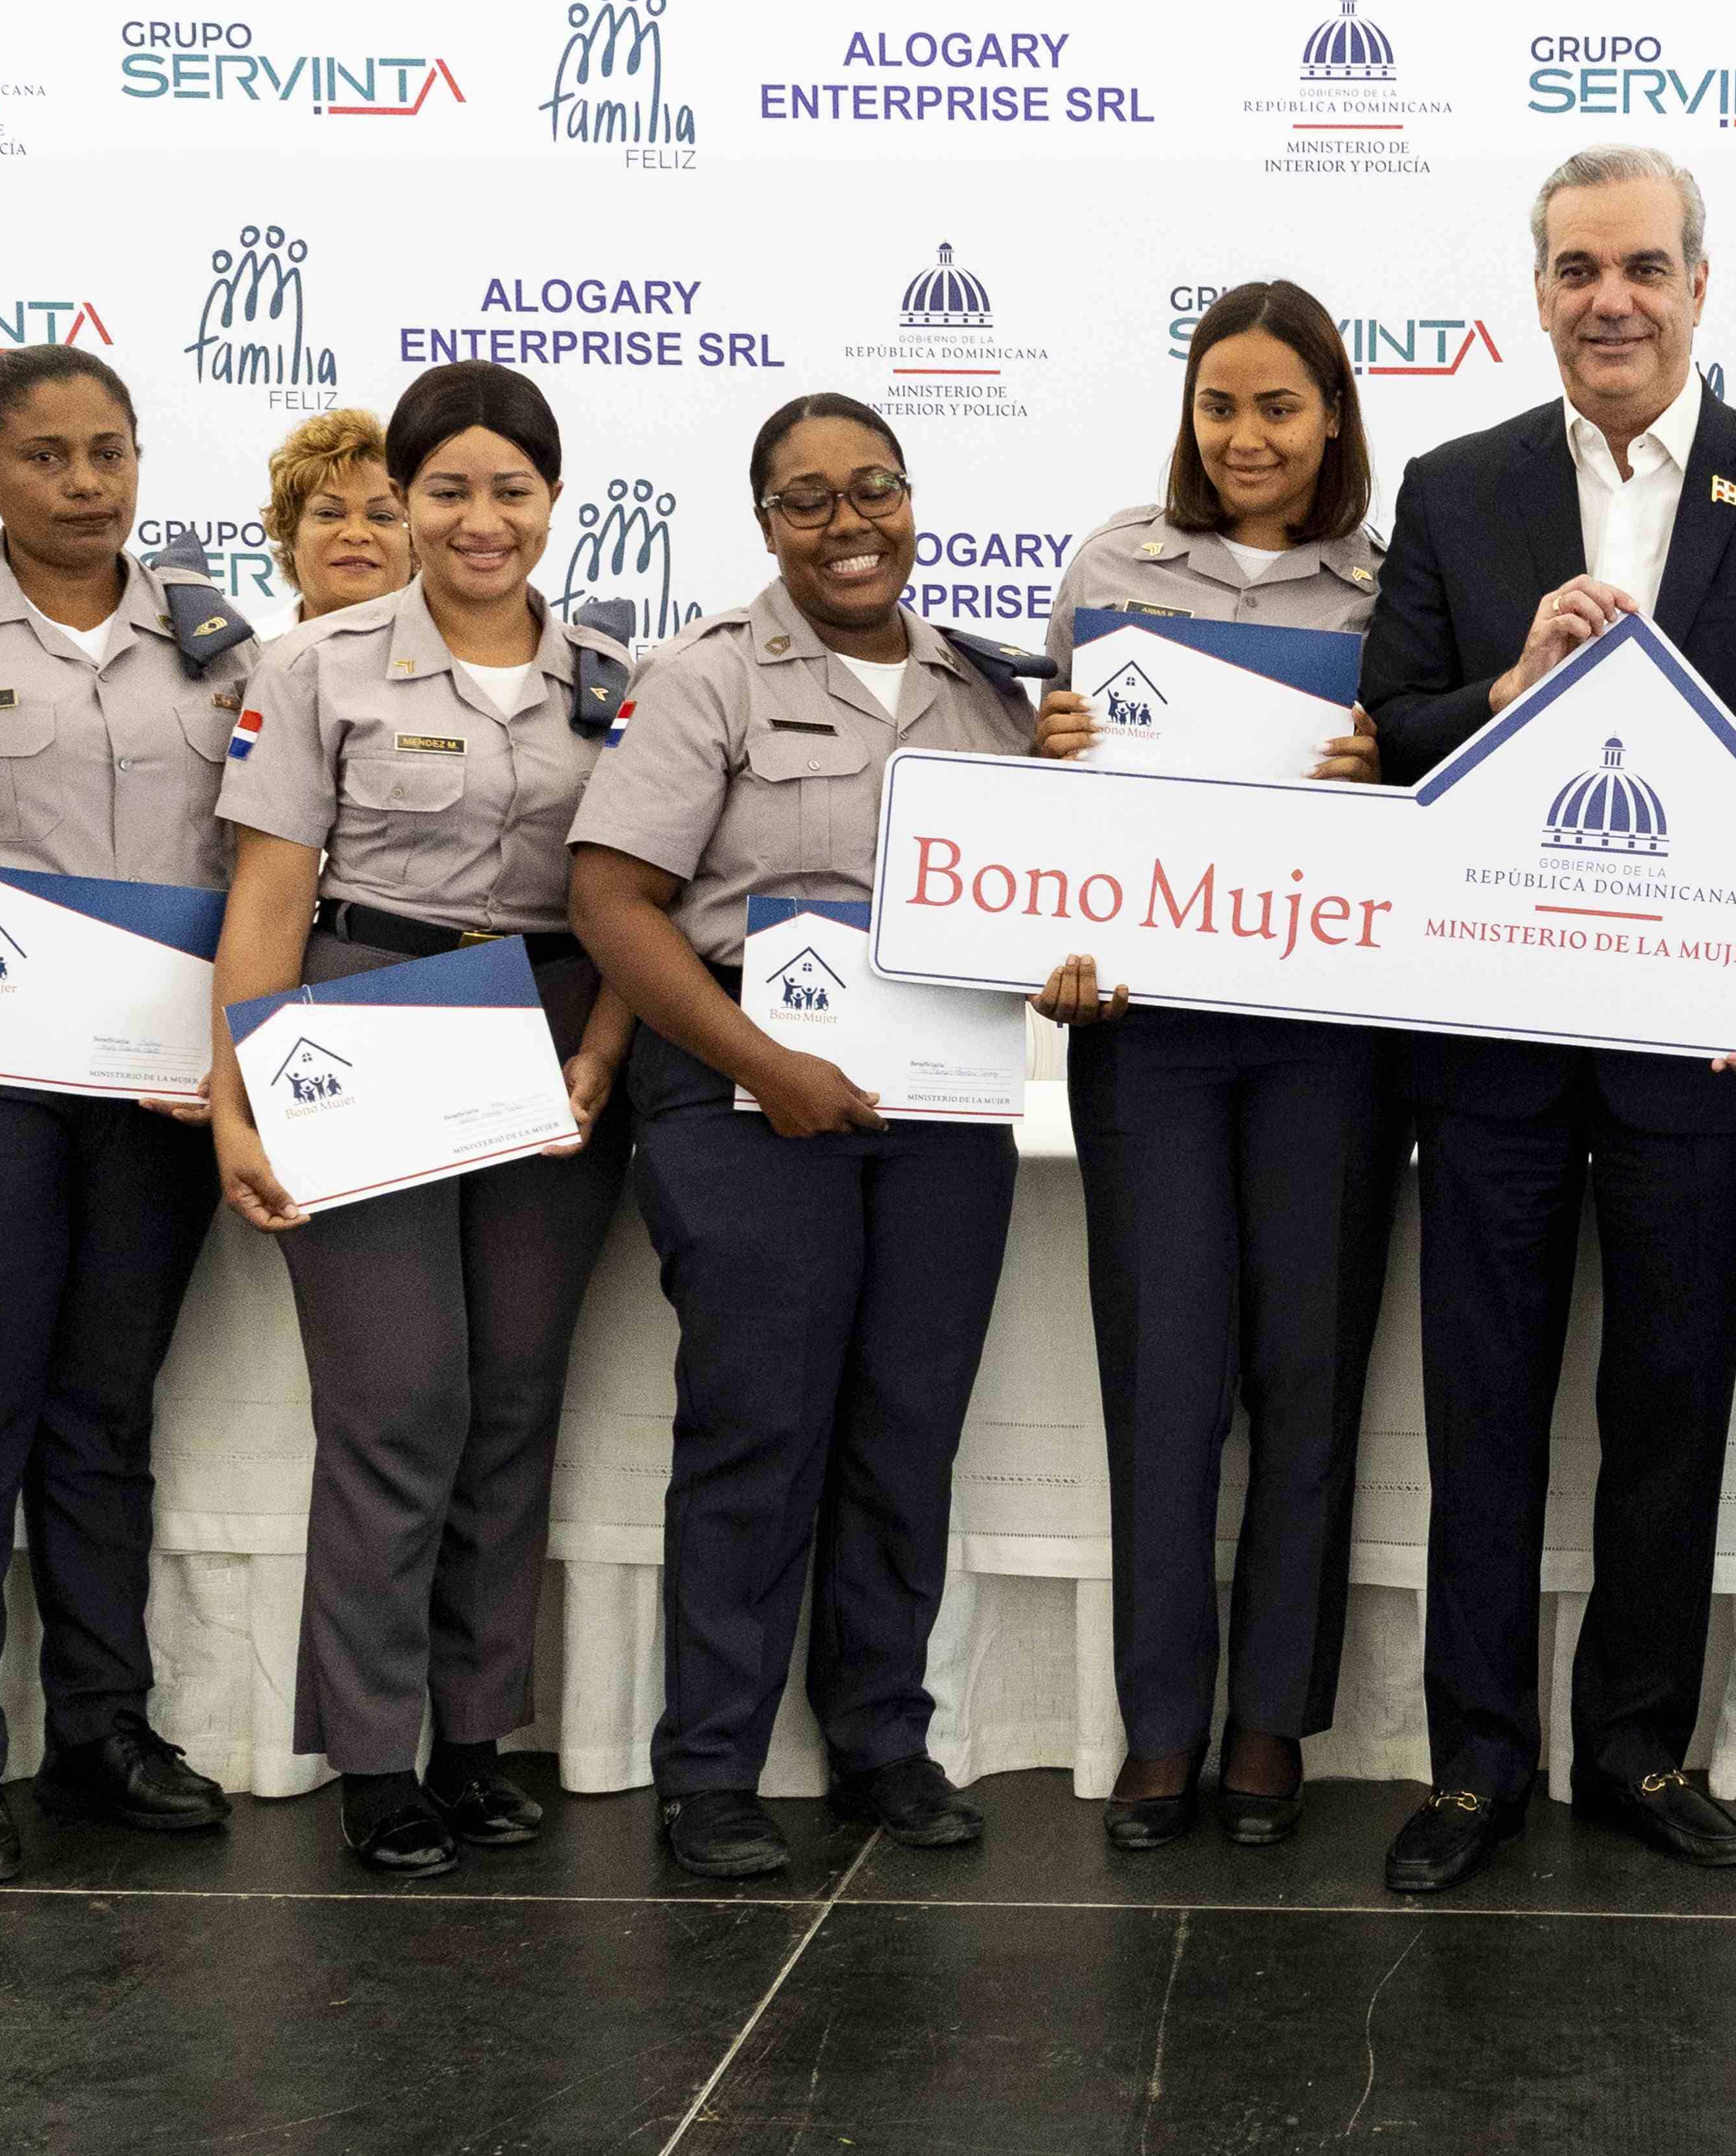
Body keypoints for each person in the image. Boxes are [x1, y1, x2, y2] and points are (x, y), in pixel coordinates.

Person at [1359, 143, 1736, 1895]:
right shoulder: (1454, 487)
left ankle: (1642, 1745)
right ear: (1538, 293)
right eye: (1579, 269)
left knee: (1672, 1395)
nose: (1613, 300)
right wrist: (1507, 688)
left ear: (1697, 287)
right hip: (1495, 1035)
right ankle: (1474, 1765)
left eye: (1645, 268)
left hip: (1698, 1048)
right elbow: (1392, 735)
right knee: (1485, 1398)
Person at [568, 392, 1047, 1880]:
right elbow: (610, 900)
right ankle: (709, 1767)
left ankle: (880, 1742)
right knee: (758, 1428)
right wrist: (766, 1068)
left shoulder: (992, 696)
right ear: (766, 522)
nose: (849, 526)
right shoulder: (708, 676)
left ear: (914, 501)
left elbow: (1041, 902)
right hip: (736, 1090)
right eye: (808, 501)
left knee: (905, 1427)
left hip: (941, 1110)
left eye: (875, 491)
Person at [205, 364, 635, 1878]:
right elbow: (266, 896)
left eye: (508, 489)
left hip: (551, 1038)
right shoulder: (317, 665)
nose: (478, 518)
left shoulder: (612, 673)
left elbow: (640, 897)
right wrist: (233, 1097)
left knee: (513, 1406)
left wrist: (603, 1047)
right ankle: (375, 1755)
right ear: (404, 502)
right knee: (399, 1406)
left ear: (549, 501)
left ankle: (472, 1734)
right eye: (442, 490)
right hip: (368, 1018)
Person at [0, 347, 256, 1885]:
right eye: (48, 457)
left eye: (112, 453)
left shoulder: (220, 640)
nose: (87, 485)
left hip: (152, 1066)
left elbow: (258, 861)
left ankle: (103, 1729)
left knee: (104, 1410)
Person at [1025, 281, 1399, 1852]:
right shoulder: (1115, 565)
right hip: (1151, 1032)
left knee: (1305, 1383)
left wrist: (1396, 764)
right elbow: (1061, 805)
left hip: (1331, 1031)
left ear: (1332, 419)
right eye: (1219, 404)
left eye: (1279, 407)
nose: (1245, 437)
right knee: (1162, 1384)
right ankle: (1161, 1722)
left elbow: (1444, 799)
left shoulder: (1399, 581)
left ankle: (1269, 1721)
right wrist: (1051, 757)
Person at [261, 406, 412, 627]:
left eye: (382, 517)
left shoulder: (459, 658)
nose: (356, 534)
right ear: (290, 531)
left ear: (415, 541)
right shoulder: (243, 657)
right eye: (329, 513)